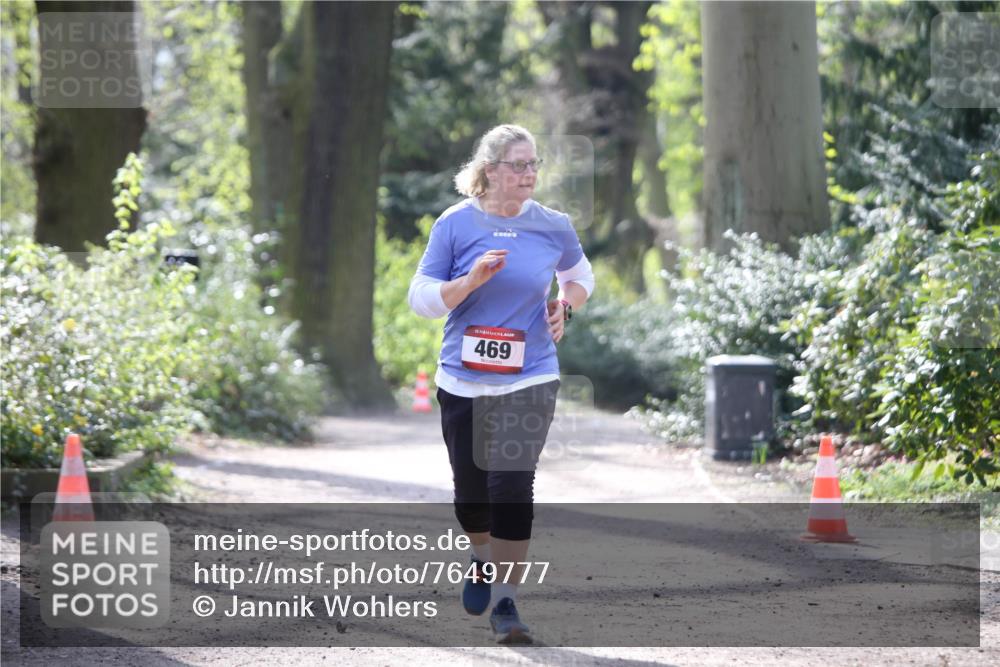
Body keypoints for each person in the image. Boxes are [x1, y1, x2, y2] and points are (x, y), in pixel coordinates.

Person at [408, 124, 594, 644]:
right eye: (519, 165)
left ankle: (507, 602)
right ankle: (481, 556)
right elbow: (420, 297)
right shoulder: (455, 224)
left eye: (534, 164)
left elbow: (580, 277)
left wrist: (565, 306)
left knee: (511, 485)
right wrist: (469, 282)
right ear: (490, 170)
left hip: (531, 374)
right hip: (463, 378)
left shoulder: (553, 225)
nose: (529, 173)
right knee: (471, 497)